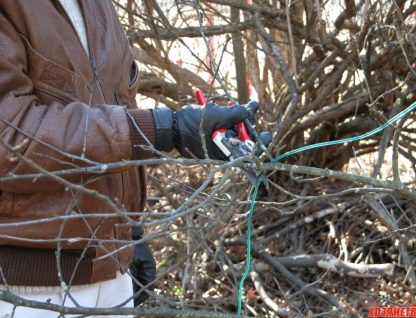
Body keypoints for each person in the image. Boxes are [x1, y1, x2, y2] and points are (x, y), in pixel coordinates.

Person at [0, 1, 270, 317]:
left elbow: (114, 111)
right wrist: (163, 129)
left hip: (111, 272)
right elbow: (10, 139)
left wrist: (129, 232)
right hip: (26, 290)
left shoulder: (98, 6)